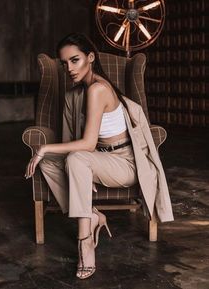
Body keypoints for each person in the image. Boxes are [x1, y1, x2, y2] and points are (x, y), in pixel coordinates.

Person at [25, 32, 174, 279]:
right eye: (64, 63)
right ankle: (93, 214)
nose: (69, 68)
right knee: (49, 164)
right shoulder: (74, 95)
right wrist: (82, 170)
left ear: (90, 57)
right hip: (99, 159)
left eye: (75, 60)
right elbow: (71, 142)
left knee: (67, 157)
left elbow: (87, 143)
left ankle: (84, 242)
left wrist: (44, 148)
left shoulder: (98, 89)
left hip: (126, 163)